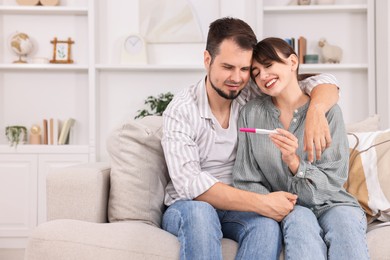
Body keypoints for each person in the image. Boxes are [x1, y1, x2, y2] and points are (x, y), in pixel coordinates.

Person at [161, 17, 340, 259]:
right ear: (207, 60)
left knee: (265, 226)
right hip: (189, 206)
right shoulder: (181, 110)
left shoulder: (248, 92)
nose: (236, 77)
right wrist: (262, 203)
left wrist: (316, 112)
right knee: (200, 215)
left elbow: (321, 82)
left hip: (239, 207)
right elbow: (190, 184)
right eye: (227, 67)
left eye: (244, 69)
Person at [233, 37, 369, 260]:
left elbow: (334, 179)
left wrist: (296, 164)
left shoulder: (328, 111)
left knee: (345, 226)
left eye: (268, 65)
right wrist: (274, 202)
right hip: (290, 208)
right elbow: (245, 179)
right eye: (256, 73)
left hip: (333, 203)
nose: (263, 76)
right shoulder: (251, 114)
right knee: (299, 224)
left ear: (293, 62)